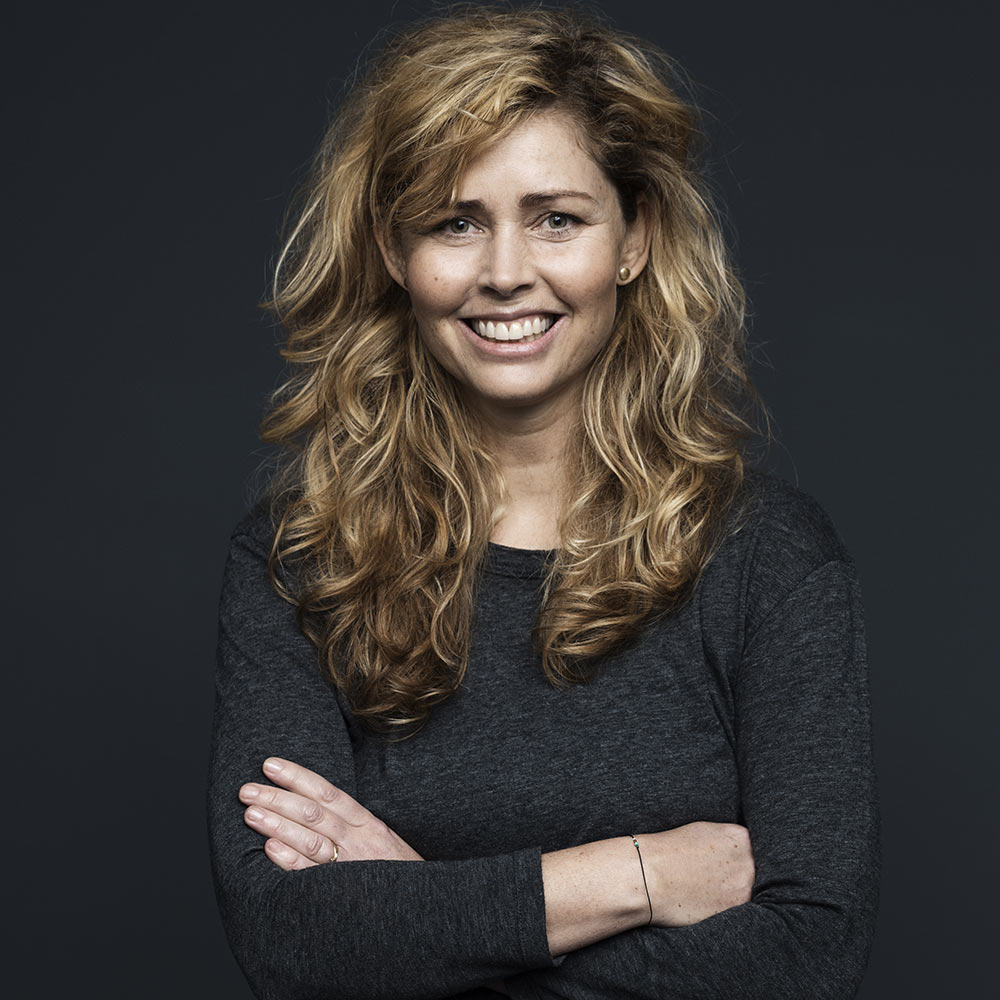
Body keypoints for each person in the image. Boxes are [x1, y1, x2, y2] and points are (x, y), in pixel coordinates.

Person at [206, 6, 880, 999]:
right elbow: (294, 946)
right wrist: (635, 875)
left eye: (556, 217)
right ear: (395, 253)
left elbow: (806, 956)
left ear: (634, 238)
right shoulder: (301, 559)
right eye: (453, 222)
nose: (506, 271)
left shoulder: (770, 560)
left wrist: (423, 912)